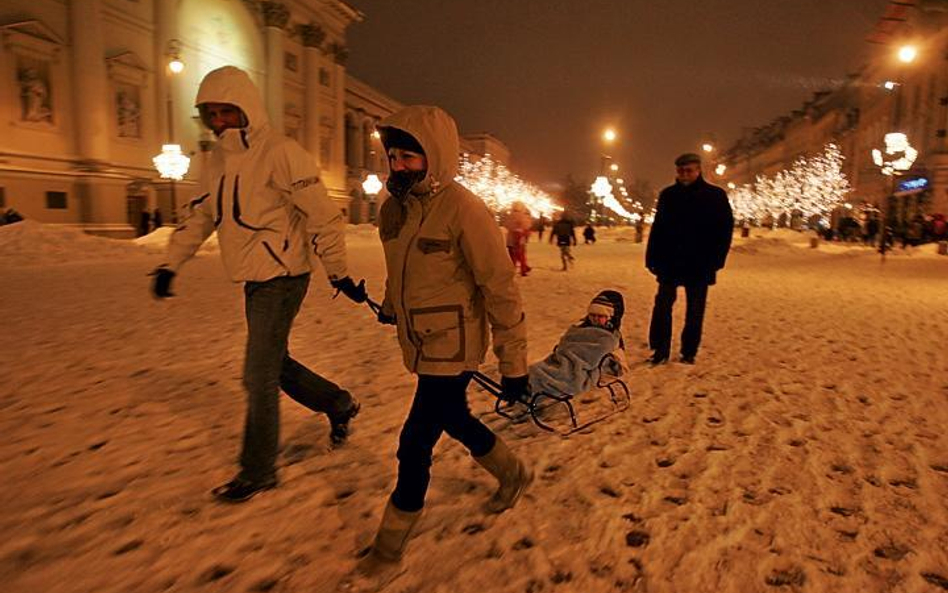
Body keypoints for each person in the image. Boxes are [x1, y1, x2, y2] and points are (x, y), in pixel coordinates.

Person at [149, 66, 366, 503]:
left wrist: (338, 271)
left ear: (246, 107)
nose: (219, 121)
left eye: (227, 111)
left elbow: (323, 216)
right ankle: (338, 403)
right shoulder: (216, 160)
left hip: (284, 277)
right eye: (211, 113)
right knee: (273, 364)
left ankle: (258, 470)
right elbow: (201, 216)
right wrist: (171, 264)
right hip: (254, 277)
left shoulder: (282, 153)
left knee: (257, 375)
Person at [365, 105, 531, 567]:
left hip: (454, 345)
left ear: (433, 156)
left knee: (415, 442)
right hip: (419, 338)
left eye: (408, 157)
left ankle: (388, 547)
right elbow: (399, 268)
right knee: (454, 418)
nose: (398, 166)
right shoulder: (394, 209)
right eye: (393, 156)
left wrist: (513, 364)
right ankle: (513, 473)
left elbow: (499, 287)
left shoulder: (464, 209)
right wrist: (391, 305)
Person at [645, 153, 733, 365]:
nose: (684, 174)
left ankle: (689, 351)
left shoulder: (715, 195)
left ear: (698, 170)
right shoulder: (668, 195)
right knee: (662, 306)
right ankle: (660, 349)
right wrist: (652, 258)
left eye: (689, 170)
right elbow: (658, 229)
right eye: (681, 170)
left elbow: (724, 230)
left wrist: (717, 259)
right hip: (670, 261)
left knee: (695, 309)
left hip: (700, 263)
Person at [528, 291, 626, 399]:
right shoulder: (580, 329)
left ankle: (535, 385)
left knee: (552, 375)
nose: (595, 319)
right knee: (536, 369)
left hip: (575, 368)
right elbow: (566, 343)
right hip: (561, 360)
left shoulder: (607, 338)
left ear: (610, 317)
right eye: (592, 315)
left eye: (600, 316)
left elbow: (592, 358)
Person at [504, 201, 532, 276]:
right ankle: (523, 269)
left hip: (510, 239)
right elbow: (527, 226)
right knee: (521, 254)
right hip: (519, 237)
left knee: (512, 256)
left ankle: (513, 269)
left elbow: (506, 225)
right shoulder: (522, 215)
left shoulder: (509, 215)